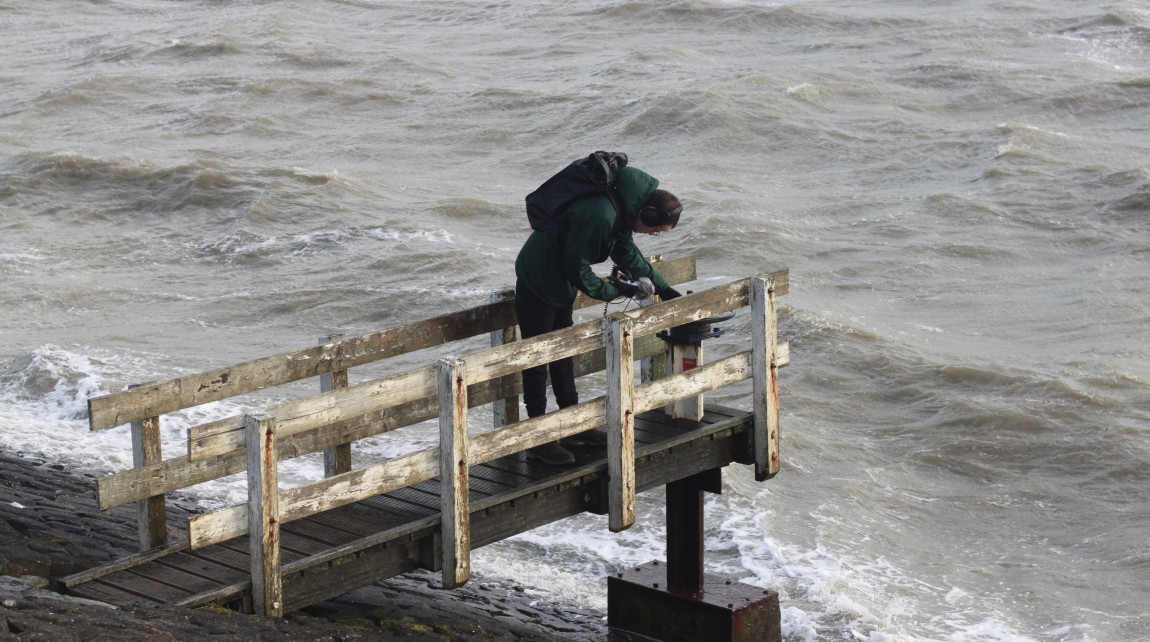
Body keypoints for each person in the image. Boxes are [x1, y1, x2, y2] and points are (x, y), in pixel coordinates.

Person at [514, 163, 684, 465]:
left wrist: (664, 288)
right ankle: (536, 440)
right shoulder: (599, 214)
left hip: (560, 284)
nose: (653, 235)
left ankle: (573, 427)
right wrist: (615, 291)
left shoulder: (621, 212)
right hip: (538, 279)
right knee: (537, 358)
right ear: (646, 214)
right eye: (656, 230)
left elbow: (626, 252)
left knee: (564, 353)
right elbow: (574, 265)